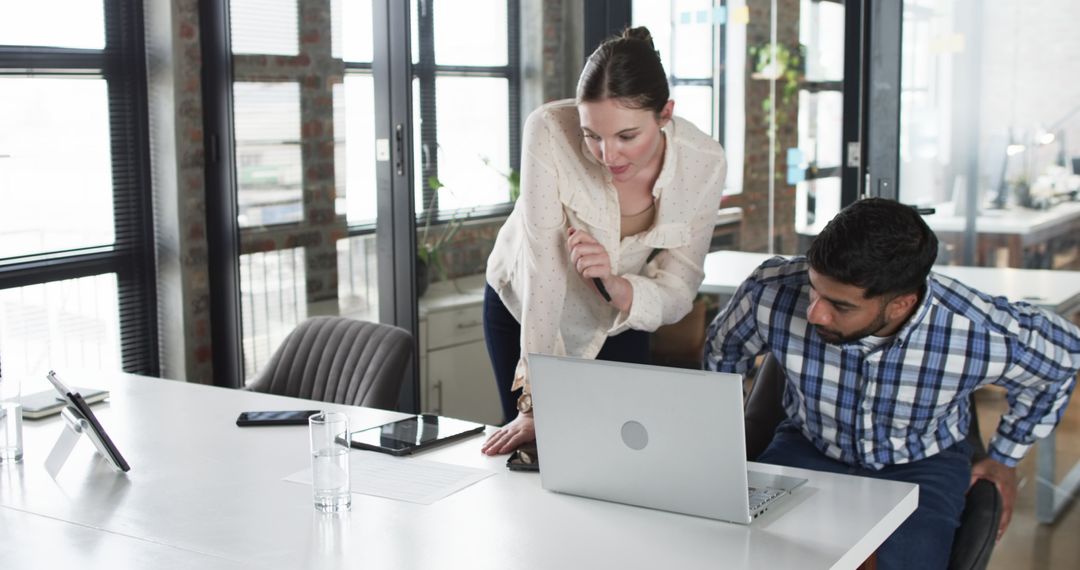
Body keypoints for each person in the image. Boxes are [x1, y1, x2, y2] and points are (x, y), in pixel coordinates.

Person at [704, 198, 1080, 569]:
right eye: (814, 288)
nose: (814, 311)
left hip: (920, 463)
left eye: (841, 305)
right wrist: (723, 434)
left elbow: (1063, 361)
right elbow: (725, 347)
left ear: (901, 304)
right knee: (742, 553)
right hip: (809, 444)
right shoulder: (771, 289)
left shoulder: (977, 328)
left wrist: (1005, 456)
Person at [481, 27, 727, 455]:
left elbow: (680, 287)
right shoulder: (548, 130)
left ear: (665, 114)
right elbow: (543, 271)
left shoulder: (703, 164)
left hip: (617, 315)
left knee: (625, 455)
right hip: (528, 311)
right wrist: (534, 403)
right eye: (592, 135)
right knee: (538, 455)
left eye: (627, 136)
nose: (608, 156)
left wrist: (618, 286)